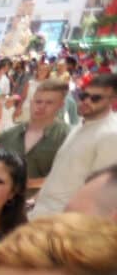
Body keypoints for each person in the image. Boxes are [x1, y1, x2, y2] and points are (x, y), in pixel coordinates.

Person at [31, 72, 117, 217]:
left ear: (112, 100)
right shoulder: (81, 124)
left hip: (63, 220)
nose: (86, 101)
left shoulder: (111, 135)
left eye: (95, 98)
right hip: (41, 211)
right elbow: (60, 172)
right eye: (83, 96)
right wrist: (35, 199)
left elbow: (99, 192)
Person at [0, 78, 71, 204]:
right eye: (38, 101)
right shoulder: (8, 136)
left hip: (46, 210)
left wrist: (34, 183)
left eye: (49, 103)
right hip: (5, 206)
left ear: (60, 105)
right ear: (32, 101)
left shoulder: (68, 137)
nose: (41, 107)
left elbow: (74, 176)